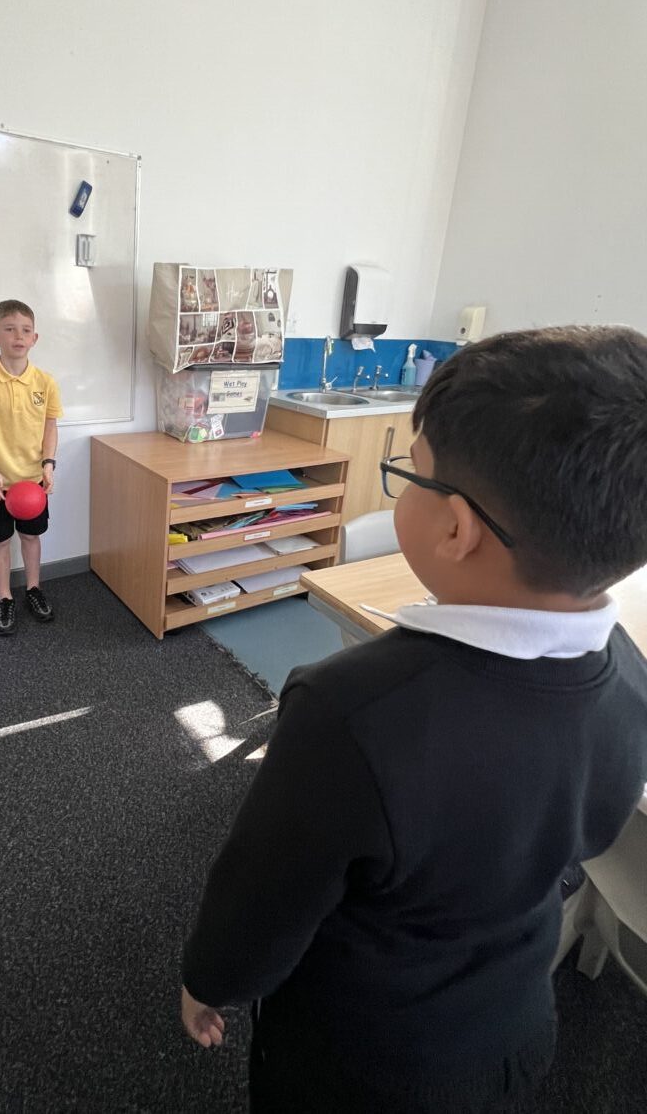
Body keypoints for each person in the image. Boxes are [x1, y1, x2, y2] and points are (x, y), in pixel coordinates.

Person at [181, 324, 647, 1112]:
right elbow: (588, 839)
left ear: (456, 529)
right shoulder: (628, 672)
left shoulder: (348, 710)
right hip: (514, 1030)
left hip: (358, 1061)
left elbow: (264, 897)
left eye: (408, 473)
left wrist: (210, 982)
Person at [0, 299, 63, 636]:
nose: (18, 336)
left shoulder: (45, 382)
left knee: (31, 536)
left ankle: (33, 589)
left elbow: (50, 426)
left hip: (33, 482)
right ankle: (4, 597)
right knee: (0, 541)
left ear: (35, 338)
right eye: (9, 329)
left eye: (26, 330)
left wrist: (48, 464)